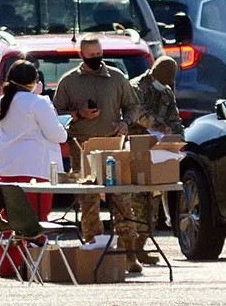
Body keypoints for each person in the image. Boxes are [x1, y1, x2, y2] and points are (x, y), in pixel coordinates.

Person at [53, 34, 150, 273]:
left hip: (113, 148)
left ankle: (129, 254)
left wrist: (126, 122)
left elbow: (133, 106)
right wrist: (79, 114)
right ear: (81, 55)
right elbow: (56, 114)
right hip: (82, 149)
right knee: (89, 202)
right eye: (91, 55)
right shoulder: (69, 82)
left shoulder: (116, 78)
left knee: (122, 200)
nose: (96, 58)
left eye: (99, 54)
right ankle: (94, 251)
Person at [0, 58, 67, 277]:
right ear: (35, 80)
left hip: (7, 167)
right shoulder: (38, 103)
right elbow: (57, 134)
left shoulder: (3, 101)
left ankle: (8, 265)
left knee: (12, 218)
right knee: (36, 219)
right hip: (34, 168)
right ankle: (33, 266)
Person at [128, 55, 184, 265]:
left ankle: (141, 246)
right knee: (136, 201)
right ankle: (129, 249)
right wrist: (161, 126)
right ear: (153, 74)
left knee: (153, 201)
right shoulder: (136, 87)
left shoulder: (167, 92)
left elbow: (174, 118)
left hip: (157, 152)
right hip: (135, 149)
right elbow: (139, 113)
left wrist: (179, 139)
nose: (165, 85)